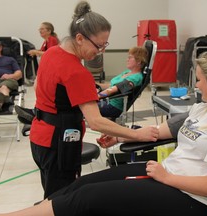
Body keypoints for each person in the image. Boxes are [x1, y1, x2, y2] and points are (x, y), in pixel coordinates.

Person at [0, 51, 207, 215]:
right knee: (80, 185)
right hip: (165, 175)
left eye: (199, 80)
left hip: (190, 199)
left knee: (87, 200)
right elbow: (159, 130)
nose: (196, 85)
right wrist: (122, 136)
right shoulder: (203, 109)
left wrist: (167, 176)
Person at [20, 1, 159, 200]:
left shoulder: (51, 54)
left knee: (50, 193)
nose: (101, 51)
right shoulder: (78, 73)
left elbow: (39, 88)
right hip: (60, 144)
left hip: (40, 137)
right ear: (79, 38)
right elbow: (95, 121)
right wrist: (137, 135)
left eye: (105, 45)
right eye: (99, 45)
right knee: (60, 201)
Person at [15, 45, 148, 123]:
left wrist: (98, 95)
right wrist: (91, 84)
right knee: (71, 98)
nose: (127, 59)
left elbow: (117, 88)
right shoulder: (126, 72)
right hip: (106, 101)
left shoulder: (137, 77)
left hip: (112, 106)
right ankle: (36, 113)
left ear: (139, 62)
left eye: (130, 57)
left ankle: (36, 116)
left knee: (73, 105)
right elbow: (109, 85)